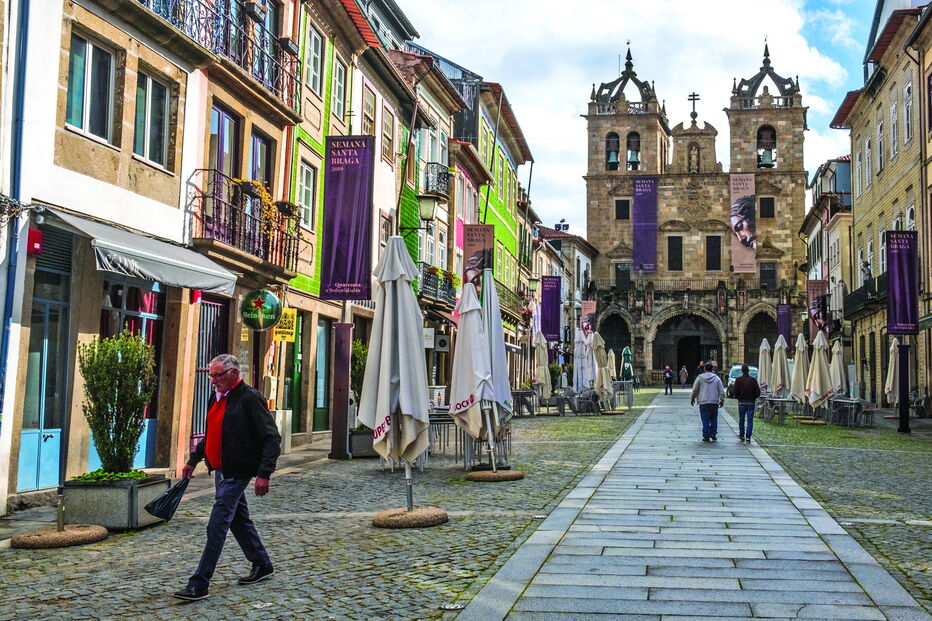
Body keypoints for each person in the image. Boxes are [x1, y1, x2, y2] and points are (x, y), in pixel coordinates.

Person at [173, 354, 282, 601]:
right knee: (238, 520)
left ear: (233, 373)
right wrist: (194, 459)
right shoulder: (217, 396)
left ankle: (199, 583)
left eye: (217, 375)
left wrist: (264, 474)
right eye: (211, 375)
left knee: (218, 523)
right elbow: (211, 433)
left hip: (238, 471)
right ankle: (262, 564)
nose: (213, 380)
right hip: (221, 470)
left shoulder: (250, 398)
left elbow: (271, 438)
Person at [691, 362, 725, 442]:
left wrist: (693, 398)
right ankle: (713, 433)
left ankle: (706, 435)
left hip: (703, 401)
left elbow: (695, 389)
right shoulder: (717, 378)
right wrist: (722, 400)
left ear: (704, 369)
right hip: (714, 402)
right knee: (714, 418)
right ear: (712, 369)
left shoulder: (700, 378)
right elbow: (721, 391)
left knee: (705, 419)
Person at [733, 364, 761, 442]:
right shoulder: (753, 380)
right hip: (751, 402)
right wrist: (753, 398)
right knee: (750, 420)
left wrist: (738, 398)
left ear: (742, 371)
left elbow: (735, 391)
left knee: (741, 419)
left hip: (742, 402)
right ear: (748, 371)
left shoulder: (738, 380)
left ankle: (742, 435)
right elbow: (758, 392)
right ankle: (748, 436)